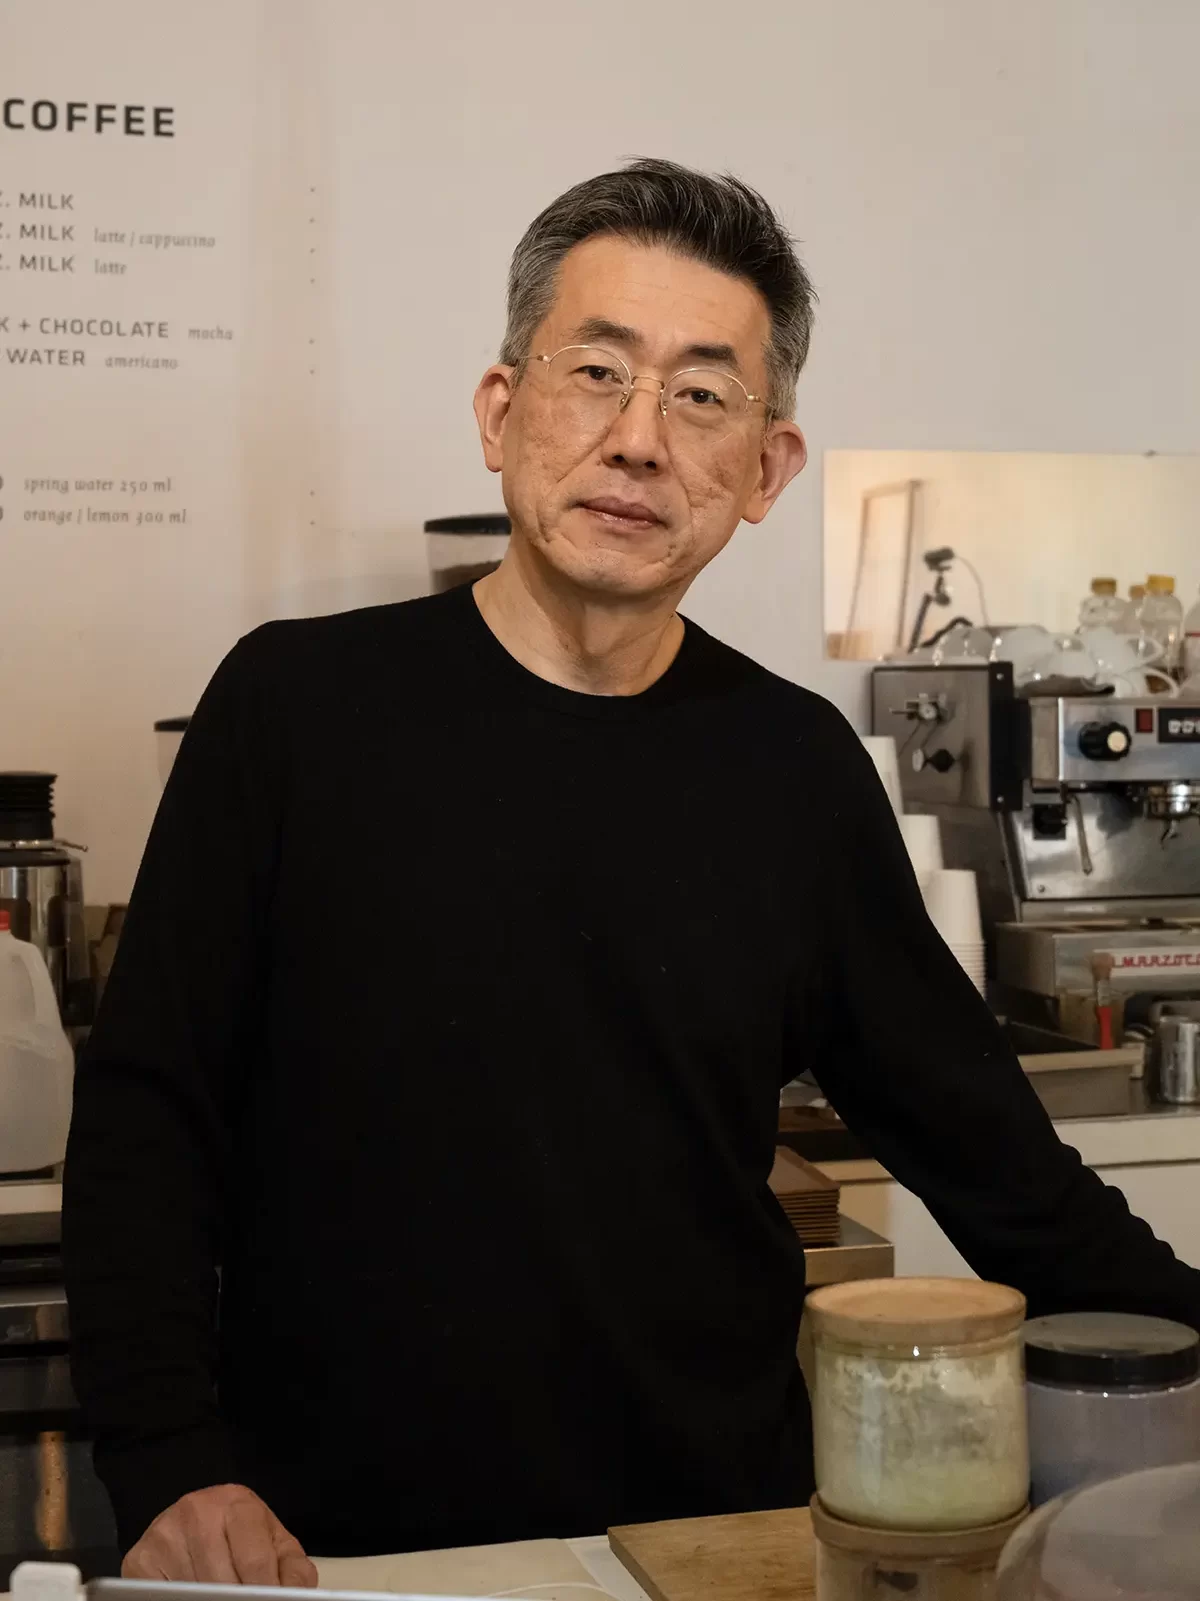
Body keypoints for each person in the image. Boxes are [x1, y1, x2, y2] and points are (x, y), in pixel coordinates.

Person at [64, 157, 1200, 1584]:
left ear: (767, 469)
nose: (639, 440)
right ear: (501, 412)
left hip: (709, 1533)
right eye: (596, 371)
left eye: (703, 395)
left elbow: (995, 1162)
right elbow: (149, 1112)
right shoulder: (294, 713)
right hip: (330, 1543)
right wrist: (170, 1459)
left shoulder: (792, 773)